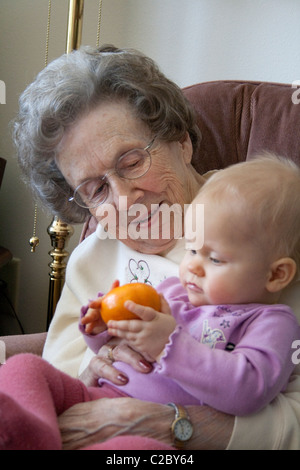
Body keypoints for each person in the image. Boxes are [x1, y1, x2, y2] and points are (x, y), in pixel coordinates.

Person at [9, 44, 300, 450]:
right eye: (95, 188)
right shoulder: (93, 258)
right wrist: (96, 357)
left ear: (181, 141)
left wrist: (169, 423)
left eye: (131, 162)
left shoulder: (268, 233)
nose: (124, 200)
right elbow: (63, 368)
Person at [80, 155, 300, 416]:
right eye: (192, 249)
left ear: (276, 275)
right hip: (98, 396)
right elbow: (120, 344)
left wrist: (168, 345)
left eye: (215, 258)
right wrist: (103, 326)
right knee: (26, 371)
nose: (193, 266)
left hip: (150, 426)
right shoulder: (173, 292)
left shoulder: (272, 324)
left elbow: (249, 391)